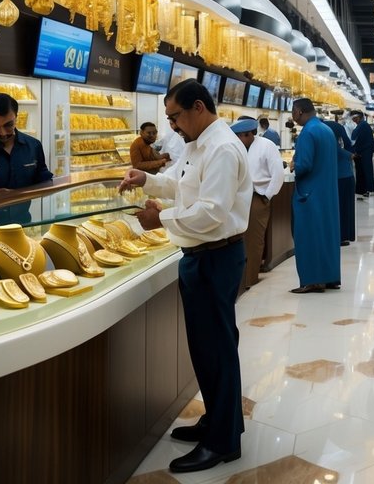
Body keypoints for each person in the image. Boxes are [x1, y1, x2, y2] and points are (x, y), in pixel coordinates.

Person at [118, 79, 250, 474]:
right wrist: (148, 180)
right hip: (199, 256)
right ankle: (217, 420)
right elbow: (181, 182)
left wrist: (159, 219)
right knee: (206, 348)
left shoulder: (223, 148)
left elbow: (211, 211)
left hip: (216, 256)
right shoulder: (199, 144)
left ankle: (223, 442)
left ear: (197, 107)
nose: (172, 126)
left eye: (175, 117)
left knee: (218, 349)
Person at [288, 98, 341, 293]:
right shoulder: (325, 130)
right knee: (326, 235)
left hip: (309, 194)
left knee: (308, 236)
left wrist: (294, 165)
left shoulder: (307, 132)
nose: (292, 116)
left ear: (300, 111)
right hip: (326, 192)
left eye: (293, 111)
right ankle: (329, 276)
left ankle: (313, 280)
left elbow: (304, 165)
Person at [232, 116, 284, 292]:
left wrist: (266, 196)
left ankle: (249, 279)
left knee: (254, 240)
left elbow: (278, 174)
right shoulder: (236, 147)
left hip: (257, 197)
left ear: (249, 133)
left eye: (240, 135)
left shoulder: (266, 146)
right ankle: (237, 279)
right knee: (236, 238)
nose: (237, 139)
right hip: (237, 198)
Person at [323, 116, 357, 246]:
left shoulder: (332, 147)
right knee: (345, 208)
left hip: (339, 179)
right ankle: (344, 235)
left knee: (339, 208)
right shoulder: (340, 146)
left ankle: (339, 235)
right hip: (346, 177)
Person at [350, 110, 374, 198]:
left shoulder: (362, 125)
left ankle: (369, 189)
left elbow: (355, 138)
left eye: (355, 118)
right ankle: (362, 189)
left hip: (364, 152)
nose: (354, 120)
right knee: (363, 171)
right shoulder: (362, 125)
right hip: (364, 151)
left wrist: (356, 150)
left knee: (366, 170)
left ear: (359, 117)